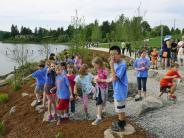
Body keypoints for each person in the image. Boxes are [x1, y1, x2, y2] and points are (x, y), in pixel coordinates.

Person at [109, 46, 128, 132]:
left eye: (115, 54)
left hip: (120, 90)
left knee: (120, 109)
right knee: (121, 108)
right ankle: (122, 122)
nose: (113, 57)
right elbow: (113, 77)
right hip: (118, 89)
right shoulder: (118, 63)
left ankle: (120, 126)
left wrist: (111, 66)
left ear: (119, 54)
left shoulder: (122, 65)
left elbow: (115, 78)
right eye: (111, 54)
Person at [91, 57, 109, 125]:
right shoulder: (99, 69)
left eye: (95, 65)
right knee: (100, 101)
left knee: (99, 102)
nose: (94, 67)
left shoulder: (104, 70)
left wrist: (99, 80)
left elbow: (109, 79)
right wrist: (95, 79)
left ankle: (99, 118)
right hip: (99, 87)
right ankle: (102, 113)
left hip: (102, 88)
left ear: (98, 64)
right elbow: (99, 77)